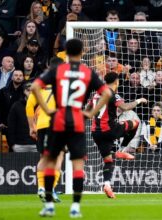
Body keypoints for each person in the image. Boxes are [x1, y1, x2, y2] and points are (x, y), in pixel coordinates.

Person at [31, 38, 112, 218]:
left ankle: (49, 206)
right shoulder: (87, 72)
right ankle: (75, 206)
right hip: (76, 120)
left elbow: (35, 87)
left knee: (52, 161)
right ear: (82, 52)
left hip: (58, 118)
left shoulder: (57, 70)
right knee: (77, 165)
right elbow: (106, 93)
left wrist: (46, 109)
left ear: (65, 52)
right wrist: (91, 113)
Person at [87, 72, 147, 199]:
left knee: (108, 160)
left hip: (96, 132)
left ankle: (107, 185)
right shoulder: (112, 94)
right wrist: (139, 100)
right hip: (109, 129)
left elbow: (88, 111)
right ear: (117, 81)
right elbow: (125, 107)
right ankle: (122, 150)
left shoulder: (96, 95)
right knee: (135, 123)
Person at [26, 57, 64, 203]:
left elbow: (29, 106)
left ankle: (42, 188)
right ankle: (50, 189)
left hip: (42, 125)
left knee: (44, 158)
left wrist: (31, 126)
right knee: (58, 158)